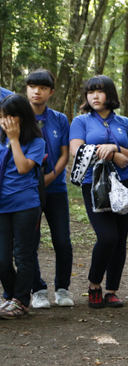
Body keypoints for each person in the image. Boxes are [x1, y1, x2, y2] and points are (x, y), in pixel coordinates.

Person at [69, 75, 128, 308]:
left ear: (110, 94)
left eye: (99, 91)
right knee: (107, 236)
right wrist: (112, 154)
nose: (95, 96)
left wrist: (116, 147)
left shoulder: (126, 123)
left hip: (124, 184)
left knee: (120, 239)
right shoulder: (80, 122)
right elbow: (76, 151)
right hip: (95, 184)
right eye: (90, 92)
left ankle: (111, 291)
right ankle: (93, 285)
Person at [25, 69, 74, 309]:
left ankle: (62, 288)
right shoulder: (18, 117)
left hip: (55, 189)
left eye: (43, 88)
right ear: (26, 89)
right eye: (33, 86)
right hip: (27, 191)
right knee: (29, 243)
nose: (37, 91)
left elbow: (65, 154)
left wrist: (50, 177)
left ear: (51, 92)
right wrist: (34, 183)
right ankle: (38, 290)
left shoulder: (60, 119)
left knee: (62, 241)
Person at [0, 94, 45, 319]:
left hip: (25, 205)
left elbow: (22, 168)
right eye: (2, 117)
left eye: (10, 116)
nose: (5, 121)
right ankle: (10, 296)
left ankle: (20, 301)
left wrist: (14, 139)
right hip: (2, 206)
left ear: (22, 117)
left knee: (23, 254)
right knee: (2, 257)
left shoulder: (36, 142)